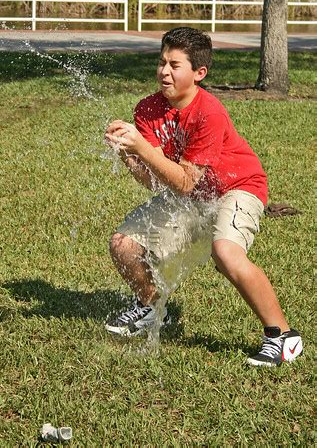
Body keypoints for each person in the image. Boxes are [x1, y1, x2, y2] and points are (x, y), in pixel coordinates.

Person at [104, 27, 303, 367]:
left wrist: (140, 147)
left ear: (199, 73)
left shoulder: (208, 111)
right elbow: (155, 181)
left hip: (237, 187)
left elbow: (182, 182)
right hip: (193, 195)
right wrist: (127, 153)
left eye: (175, 65)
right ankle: (152, 309)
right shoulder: (148, 109)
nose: (164, 71)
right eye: (162, 62)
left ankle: (282, 336)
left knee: (225, 252)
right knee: (124, 244)